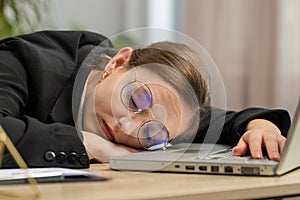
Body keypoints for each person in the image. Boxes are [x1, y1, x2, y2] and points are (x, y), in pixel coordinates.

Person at [0, 30, 290, 169]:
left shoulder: (158, 120)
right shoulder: (24, 64)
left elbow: (212, 120)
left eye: (152, 132)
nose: (128, 126)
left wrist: (258, 126)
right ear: (118, 62)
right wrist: (88, 144)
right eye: (137, 99)